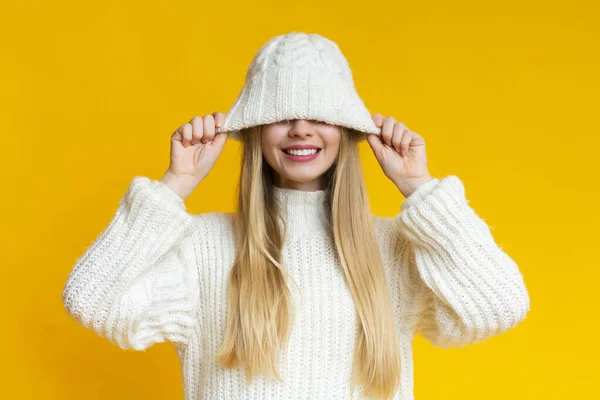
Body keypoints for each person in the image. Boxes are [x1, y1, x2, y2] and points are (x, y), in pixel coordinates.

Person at [61, 32, 530, 400]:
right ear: (257, 132)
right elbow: (92, 300)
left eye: (319, 115)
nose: (301, 127)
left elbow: (500, 306)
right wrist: (175, 184)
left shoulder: (394, 248)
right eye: (282, 114)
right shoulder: (201, 248)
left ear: (345, 131)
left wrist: (420, 189)